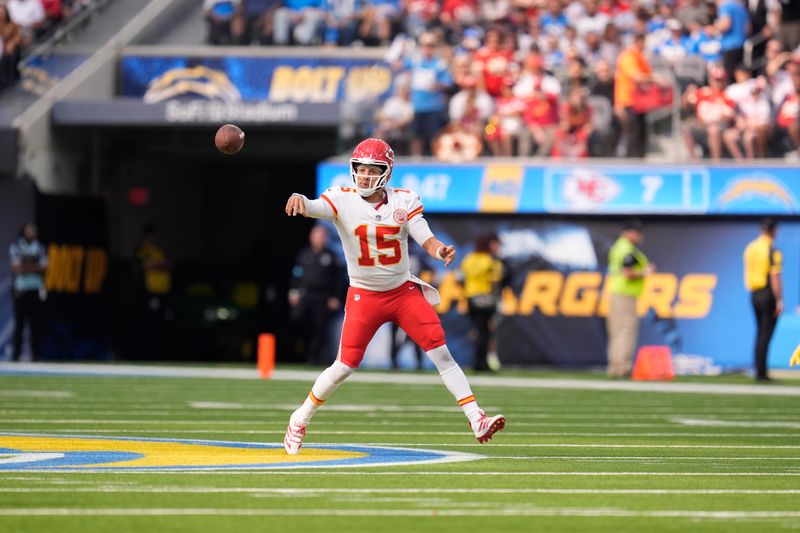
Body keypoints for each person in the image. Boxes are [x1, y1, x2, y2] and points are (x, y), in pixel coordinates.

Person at [282, 137, 505, 454]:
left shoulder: (404, 200)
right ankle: (299, 419)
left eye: (373, 170)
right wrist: (299, 198)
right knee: (344, 365)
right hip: (364, 295)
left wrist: (438, 249)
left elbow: (423, 234)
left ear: (386, 173)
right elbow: (314, 206)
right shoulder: (341, 199)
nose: (364, 176)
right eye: (360, 169)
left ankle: (476, 418)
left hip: (402, 292)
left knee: (441, 352)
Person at [288, 224, 345, 365]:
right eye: (317, 236)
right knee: (298, 321)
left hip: (323, 297)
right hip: (306, 294)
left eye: (322, 237)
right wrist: (293, 291)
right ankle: (296, 354)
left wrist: (336, 297)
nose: (319, 239)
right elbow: (296, 274)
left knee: (319, 328)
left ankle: (314, 359)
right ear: (311, 237)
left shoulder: (331, 257)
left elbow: (338, 279)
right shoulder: (304, 254)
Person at [606, 219, 654, 378]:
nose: (640, 235)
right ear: (627, 232)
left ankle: (615, 367)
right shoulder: (627, 249)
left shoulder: (619, 246)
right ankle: (623, 367)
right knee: (626, 329)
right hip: (625, 294)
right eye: (636, 231)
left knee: (617, 329)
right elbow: (628, 273)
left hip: (617, 292)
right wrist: (645, 272)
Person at [743, 218, 783, 382]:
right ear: (774, 231)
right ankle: (762, 372)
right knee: (766, 334)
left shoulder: (750, 248)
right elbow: (775, 277)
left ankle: (759, 369)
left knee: (760, 333)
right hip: (767, 294)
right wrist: (779, 299)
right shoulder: (771, 250)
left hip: (754, 293)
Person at [460, 234, 503, 372]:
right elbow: (495, 281)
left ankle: (477, 362)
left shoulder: (469, 258)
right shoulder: (491, 260)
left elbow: (459, 277)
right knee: (486, 332)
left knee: (477, 330)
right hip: (486, 299)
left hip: (471, 298)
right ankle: (482, 363)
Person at [9, 223, 47, 361]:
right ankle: (16, 356)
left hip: (35, 289)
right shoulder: (17, 246)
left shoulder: (40, 247)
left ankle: (36, 355)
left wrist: (26, 265)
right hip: (21, 289)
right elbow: (16, 268)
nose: (33, 232)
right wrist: (33, 266)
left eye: (34, 230)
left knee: (36, 323)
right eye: (30, 230)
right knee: (19, 323)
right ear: (24, 231)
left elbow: (43, 268)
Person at [134, 223, 171, 357]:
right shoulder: (143, 249)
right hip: (150, 292)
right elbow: (146, 265)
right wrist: (159, 265)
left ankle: (159, 354)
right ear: (147, 236)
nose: (155, 238)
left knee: (160, 324)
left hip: (163, 292)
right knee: (148, 324)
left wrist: (158, 265)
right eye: (152, 235)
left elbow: (168, 264)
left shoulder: (160, 249)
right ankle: (144, 355)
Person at [614, 32, 654, 158]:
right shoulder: (627, 57)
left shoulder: (640, 58)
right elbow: (636, 76)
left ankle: (640, 163)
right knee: (632, 135)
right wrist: (655, 78)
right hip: (628, 102)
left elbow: (648, 75)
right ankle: (631, 166)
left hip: (640, 102)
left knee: (641, 135)